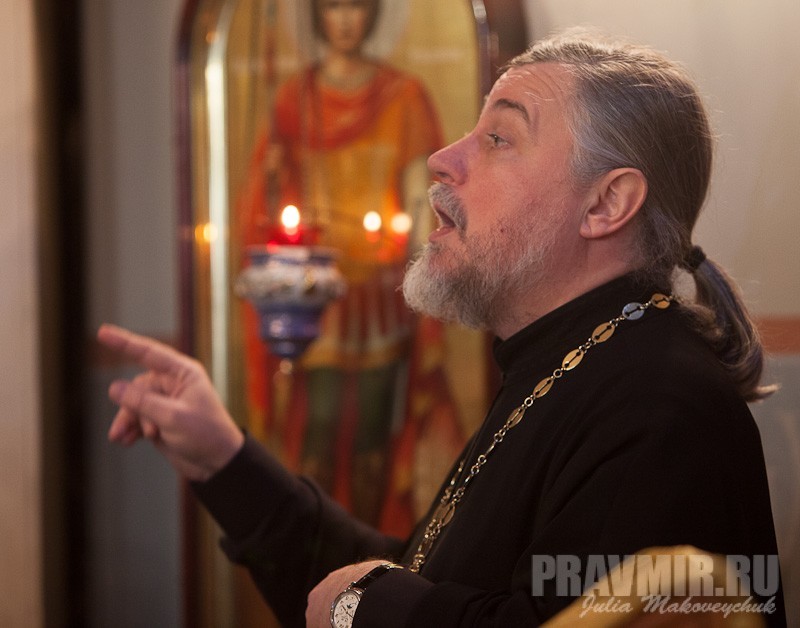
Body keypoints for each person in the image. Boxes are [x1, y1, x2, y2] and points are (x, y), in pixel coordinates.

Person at [99, 28, 787, 627]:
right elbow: (421, 577)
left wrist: (367, 609)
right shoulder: (568, 363)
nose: (443, 158)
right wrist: (223, 461)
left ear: (606, 203)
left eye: (498, 138)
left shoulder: (659, 409)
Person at [236, 0, 460, 529]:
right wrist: (273, 178)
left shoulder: (402, 97)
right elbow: (265, 209)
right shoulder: (294, 98)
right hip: (319, 297)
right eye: (332, 6)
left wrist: (417, 259)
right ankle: (316, 542)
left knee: (373, 434)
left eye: (355, 6)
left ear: (373, 14)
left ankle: (367, 544)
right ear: (317, 15)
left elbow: (420, 198)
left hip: (382, 296)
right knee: (319, 426)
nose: (343, 19)